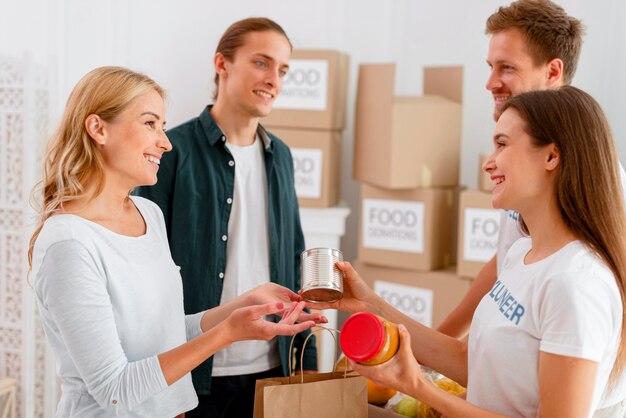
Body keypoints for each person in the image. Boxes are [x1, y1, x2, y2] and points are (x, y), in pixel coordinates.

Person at [28, 66, 322, 418]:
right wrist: (227, 333)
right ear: (98, 128)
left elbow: (164, 332)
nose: (165, 142)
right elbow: (115, 390)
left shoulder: (147, 214)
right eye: (150, 124)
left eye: (163, 127)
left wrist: (238, 308)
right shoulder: (70, 243)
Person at [321, 86, 626, 417]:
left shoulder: (575, 284)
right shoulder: (522, 253)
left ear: (552, 156)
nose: (488, 163)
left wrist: (418, 388)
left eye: (502, 144)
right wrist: (370, 304)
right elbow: (472, 362)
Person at [135, 17, 316, 417]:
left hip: (273, 366)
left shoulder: (281, 156)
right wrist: (162, 388)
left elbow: (294, 256)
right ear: (222, 64)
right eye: (261, 63)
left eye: (282, 70)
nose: (274, 79)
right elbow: (143, 275)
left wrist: (306, 364)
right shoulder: (169, 151)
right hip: (197, 370)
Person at [437, 0, 585, 339]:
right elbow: (505, 260)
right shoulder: (524, 159)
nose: (490, 83)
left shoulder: (588, 180)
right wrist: (438, 345)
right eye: (490, 66)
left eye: (506, 68)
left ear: (552, 72)